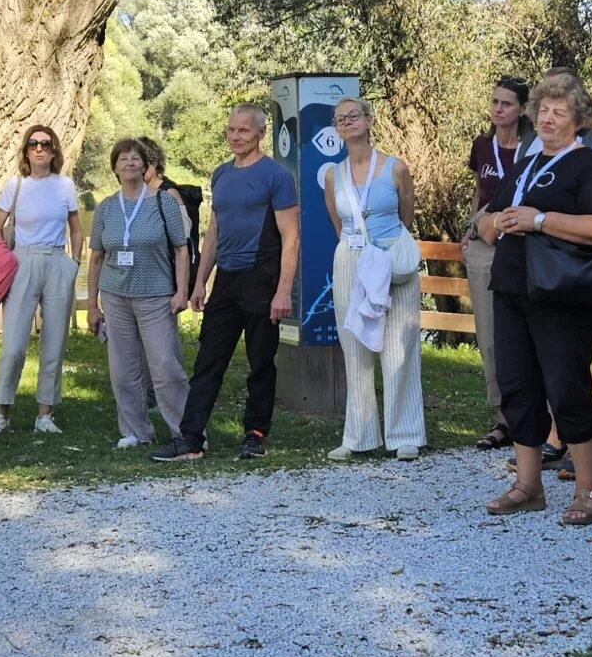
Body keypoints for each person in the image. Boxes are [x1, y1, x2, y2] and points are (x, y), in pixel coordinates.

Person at [478, 70, 592, 525]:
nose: (548, 117)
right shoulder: (525, 164)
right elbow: (488, 219)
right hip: (512, 288)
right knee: (518, 386)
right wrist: (496, 223)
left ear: (577, 120)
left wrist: (540, 220)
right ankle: (528, 486)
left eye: (560, 111)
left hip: (562, 295)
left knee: (566, 388)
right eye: (543, 109)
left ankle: (589, 491)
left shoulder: (590, 165)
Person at [158, 104, 299, 462]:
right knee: (208, 360)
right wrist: (200, 281)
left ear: (261, 134)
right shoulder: (220, 175)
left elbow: (291, 237)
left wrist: (283, 290)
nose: (236, 137)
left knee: (260, 362)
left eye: (244, 131)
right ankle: (190, 438)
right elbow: (215, 233)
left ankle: (255, 434)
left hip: (262, 278)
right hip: (227, 281)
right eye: (231, 130)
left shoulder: (277, 176)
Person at [321, 94, 427, 459]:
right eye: (340, 118)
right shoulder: (334, 175)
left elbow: (406, 214)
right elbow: (337, 221)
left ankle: (406, 433)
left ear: (368, 120)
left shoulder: (395, 168)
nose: (347, 122)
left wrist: (385, 251)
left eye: (353, 116)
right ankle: (358, 435)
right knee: (356, 347)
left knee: (400, 343)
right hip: (351, 258)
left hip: (390, 257)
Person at [86, 137, 194, 449]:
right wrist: (92, 305)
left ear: (146, 165)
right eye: (123, 159)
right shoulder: (106, 207)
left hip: (156, 296)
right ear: (115, 168)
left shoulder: (163, 202)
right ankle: (136, 432)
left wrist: (181, 291)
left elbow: (181, 249)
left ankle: (185, 431)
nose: (130, 163)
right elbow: (95, 258)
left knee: (165, 367)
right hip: (115, 297)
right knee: (123, 370)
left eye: (136, 158)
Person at [0, 124, 84, 436]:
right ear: (26, 151)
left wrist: (74, 264)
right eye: (33, 144)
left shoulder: (64, 185)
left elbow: (76, 229)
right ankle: (2, 413)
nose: (39, 149)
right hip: (23, 261)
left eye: (45, 144)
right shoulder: (16, 185)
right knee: (13, 344)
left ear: (54, 151)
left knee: (54, 344)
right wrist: (5, 257)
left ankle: (45, 414)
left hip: (56, 261)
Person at [463, 76, 531, 449]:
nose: (498, 109)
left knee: (524, 330)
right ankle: (503, 417)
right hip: (485, 240)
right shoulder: (482, 146)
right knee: (488, 334)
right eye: (494, 102)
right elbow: (480, 190)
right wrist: (471, 229)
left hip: (521, 239)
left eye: (506, 103)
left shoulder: (532, 147)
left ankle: (537, 414)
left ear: (522, 108)